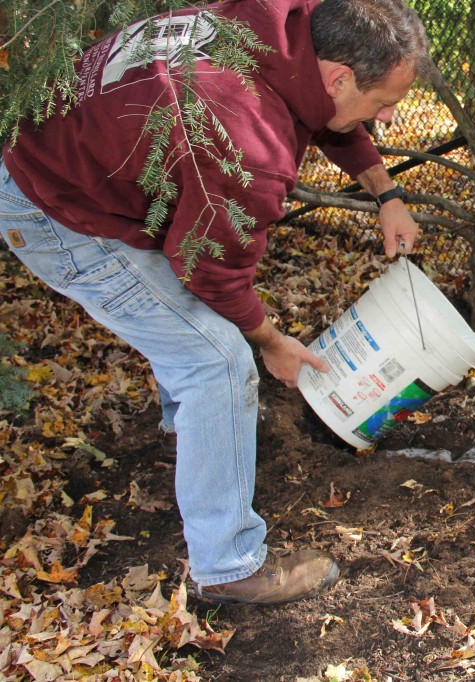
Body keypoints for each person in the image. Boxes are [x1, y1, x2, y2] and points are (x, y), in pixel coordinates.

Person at [0, 0, 428, 604]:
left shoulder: (283, 19)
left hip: (75, 152)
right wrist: (272, 344)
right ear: (338, 77)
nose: (382, 117)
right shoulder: (246, 143)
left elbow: (331, 116)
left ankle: (193, 440)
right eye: (382, 104)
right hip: (54, 205)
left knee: (192, 338)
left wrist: (387, 192)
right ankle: (229, 566)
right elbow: (209, 273)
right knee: (218, 358)